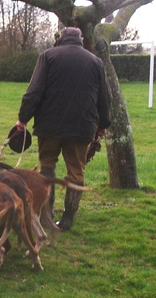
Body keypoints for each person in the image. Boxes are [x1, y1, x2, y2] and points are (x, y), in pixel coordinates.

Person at [14, 26, 111, 231]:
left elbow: (34, 92)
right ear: (81, 39)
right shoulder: (95, 62)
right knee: (76, 171)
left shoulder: (47, 56)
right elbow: (105, 97)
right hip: (82, 126)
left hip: (49, 126)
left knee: (47, 166)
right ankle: (68, 219)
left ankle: (46, 214)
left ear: (60, 39)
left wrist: (23, 118)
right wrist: (103, 125)